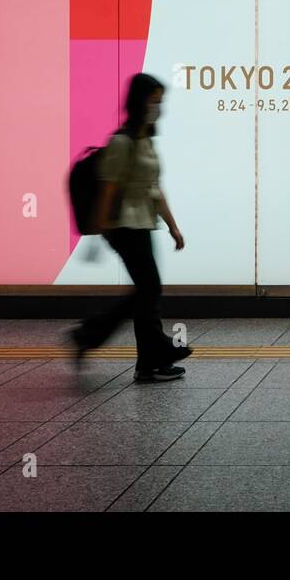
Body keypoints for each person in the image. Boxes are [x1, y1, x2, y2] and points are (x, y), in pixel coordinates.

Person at [70, 73, 191, 382]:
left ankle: (95, 338)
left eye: (160, 101)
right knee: (149, 288)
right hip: (122, 226)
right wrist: (101, 226)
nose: (159, 107)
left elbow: (154, 188)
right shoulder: (122, 142)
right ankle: (153, 354)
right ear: (140, 102)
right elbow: (109, 189)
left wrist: (173, 227)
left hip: (141, 223)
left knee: (146, 291)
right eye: (154, 101)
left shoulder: (145, 140)